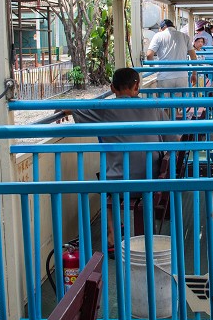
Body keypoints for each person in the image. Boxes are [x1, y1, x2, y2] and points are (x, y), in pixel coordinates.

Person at [69, 67, 180, 251]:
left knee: (104, 183)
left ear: (112, 88)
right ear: (137, 86)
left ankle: (112, 235)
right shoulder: (154, 107)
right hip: (153, 180)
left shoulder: (104, 110)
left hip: (120, 184)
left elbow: (71, 108)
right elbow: (173, 140)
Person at [146, 18, 197, 89]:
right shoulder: (185, 36)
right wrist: (194, 73)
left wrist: (153, 69)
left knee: (164, 100)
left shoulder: (158, 36)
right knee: (181, 99)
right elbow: (193, 56)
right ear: (173, 26)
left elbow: (149, 55)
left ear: (162, 28)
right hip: (182, 75)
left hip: (164, 76)